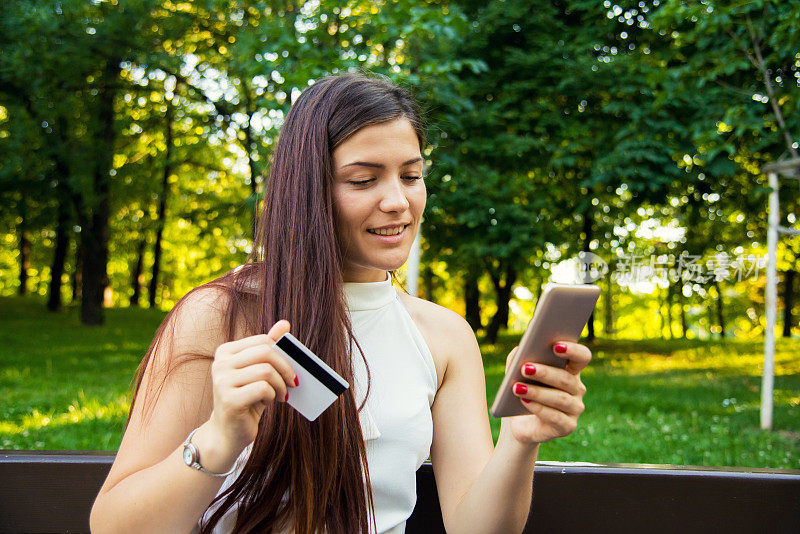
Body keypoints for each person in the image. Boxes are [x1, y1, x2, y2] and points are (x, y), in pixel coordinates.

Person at [90, 72, 591, 534]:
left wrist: (520, 440)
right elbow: (112, 526)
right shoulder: (218, 317)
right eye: (363, 179)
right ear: (309, 188)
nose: (398, 201)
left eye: (411, 176)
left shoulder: (444, 337)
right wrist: (219, 438)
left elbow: (477, 528)